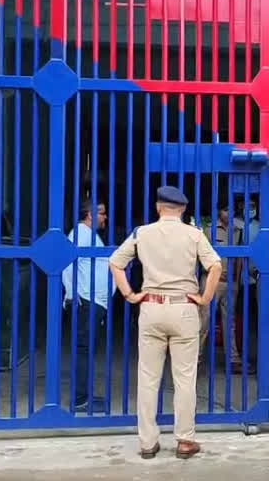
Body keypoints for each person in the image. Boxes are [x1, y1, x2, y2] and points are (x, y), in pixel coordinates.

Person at [110, 186, 221, 459]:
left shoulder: (142, 233)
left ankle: (148, 443)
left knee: (148, 378)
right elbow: (215, 266)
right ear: (182, 210)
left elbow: (115, 263)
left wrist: (130, 295)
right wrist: (205, 298)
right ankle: (185, 440)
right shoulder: (194, 234)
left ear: (158, 207)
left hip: (151, 307)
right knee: (185, 378)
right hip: (184, 308)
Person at [62, 201, 110, 413]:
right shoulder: (80, 233)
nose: (105, 217)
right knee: (83, 350)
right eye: (102, 213)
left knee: (87, 349)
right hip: (86, 300)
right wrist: (73, 295)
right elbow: (67, 265)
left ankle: (84, 395)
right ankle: (80, 399)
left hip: (92, 300)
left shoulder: (88, 234)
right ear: (90, 214)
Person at [201, 202, 244, 372]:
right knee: (204, 321)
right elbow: (201, 255)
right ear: (219, 211)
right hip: (212, 281)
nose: (229, 213)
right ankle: (195, 358)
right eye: (226, 209)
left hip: (230, 282)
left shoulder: (238, 231)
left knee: (230, 322)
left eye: (232, 210)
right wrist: (214, 274)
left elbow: (240, 257)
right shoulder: (209, 230)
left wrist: (237, 281)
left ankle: (233, 359)